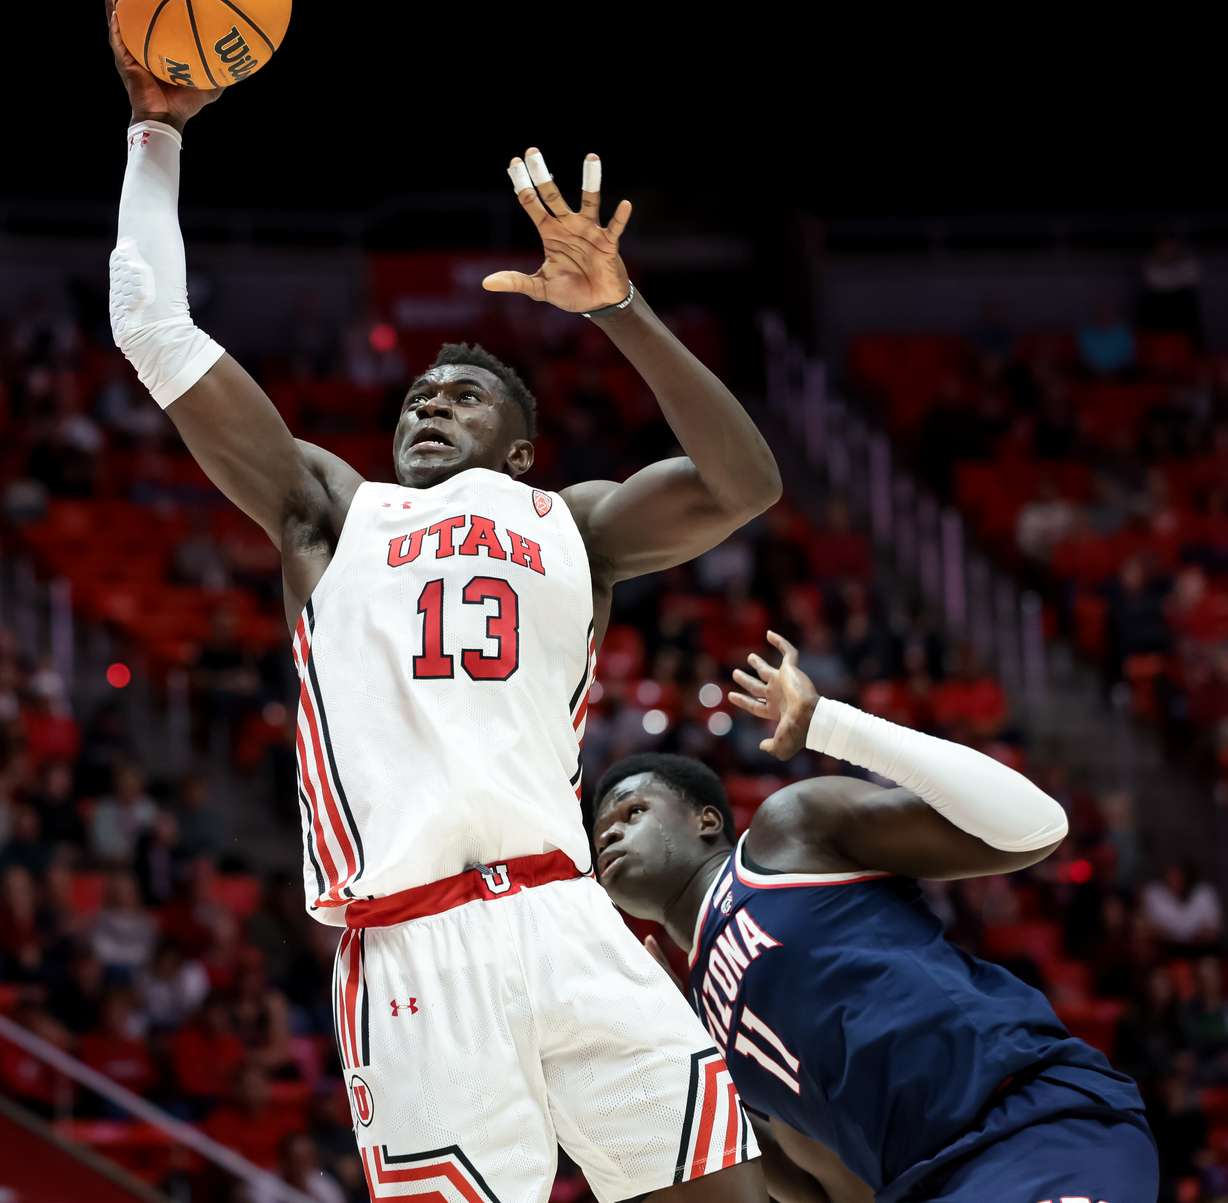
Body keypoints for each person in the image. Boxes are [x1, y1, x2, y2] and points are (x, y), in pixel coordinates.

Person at [104, 7, 780, 1202]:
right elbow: (153, 328)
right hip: (416, 944)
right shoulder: (328, 511)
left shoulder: (571, 525)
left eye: (465, 396)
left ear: (522, 452)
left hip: (571, 919)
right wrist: (155, 137)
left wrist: (620, 308)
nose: (430, 404)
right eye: (419, 393)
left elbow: (744, 484)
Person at [593, 632, 1158, 1203]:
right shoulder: (702, 1020)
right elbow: (826, 1188)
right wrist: (676, 1052)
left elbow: (1036, 825)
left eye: (633, 810)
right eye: (600, 834)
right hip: (928, 1182)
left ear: (706, 820)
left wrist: (829, 724)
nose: (611, 832)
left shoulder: (783, 837)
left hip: (1027, 1125)